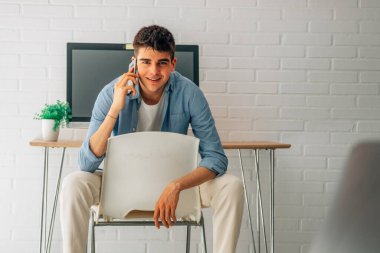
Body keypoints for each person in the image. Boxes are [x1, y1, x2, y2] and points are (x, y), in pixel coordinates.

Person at [60, 25, 244, 253]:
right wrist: (116, 108)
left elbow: (216, 158)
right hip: (119, 186)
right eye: (146, 62)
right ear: (134, 61)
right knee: (73, 183)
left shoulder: (190, 93)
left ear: (173, 64)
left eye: (162, 63)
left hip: (177, 189)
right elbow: (87, 164)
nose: (153, 72)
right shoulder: (110, 93)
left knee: (231, 186)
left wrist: (176, 186)